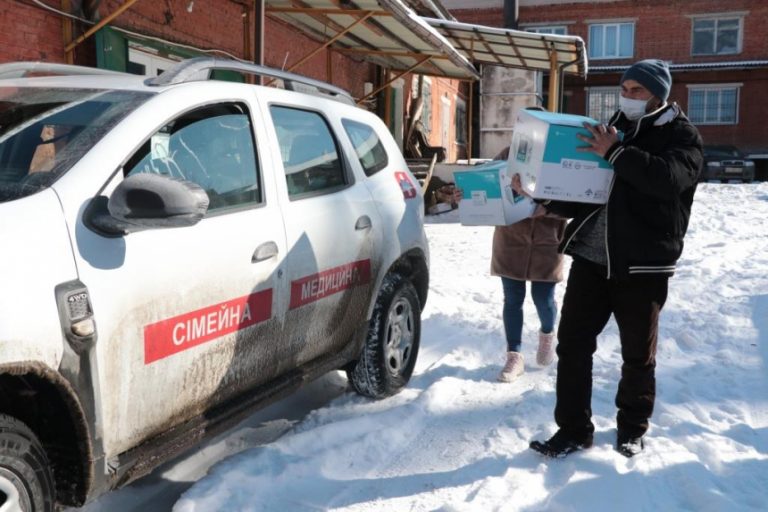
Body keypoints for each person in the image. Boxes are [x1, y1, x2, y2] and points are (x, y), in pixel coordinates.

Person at [523, 59, 704, 458]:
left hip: (642, 264)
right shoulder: (611, 129)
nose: (627, 96)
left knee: (637, 353)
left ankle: (632, 429)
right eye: (624, 89)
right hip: (592, 258)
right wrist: (545, 196)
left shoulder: (682, 136)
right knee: (572, 346)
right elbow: (588, 188)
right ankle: (573, 429)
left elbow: (666, 180)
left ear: (659, 93)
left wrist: (617, 151)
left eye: (636, 90)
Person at [492, 196, 566, 383]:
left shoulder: (560, 168)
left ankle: (547, 334)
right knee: (512, 300)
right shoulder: (506, 168)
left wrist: (549, 209)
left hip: (548, 242)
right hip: (510, 241)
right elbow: (490, 196)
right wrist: (467, 198)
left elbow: (576, 204)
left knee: (543, 298)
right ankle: (514, 355)